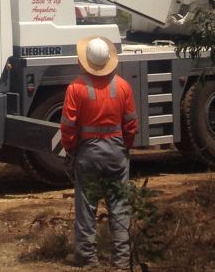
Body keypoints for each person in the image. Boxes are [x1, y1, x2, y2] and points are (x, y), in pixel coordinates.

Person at [60, 35, 137, 269]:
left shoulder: (76, 88)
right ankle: (122, 261)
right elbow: (131, 125)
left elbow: (68, 126)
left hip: (88, 153)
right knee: (119, 205)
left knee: (86, 206)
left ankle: (86, 257)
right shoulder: (123, 86)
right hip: (116, 151)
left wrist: (71, 149)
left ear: (85, 62)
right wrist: (125, 147)